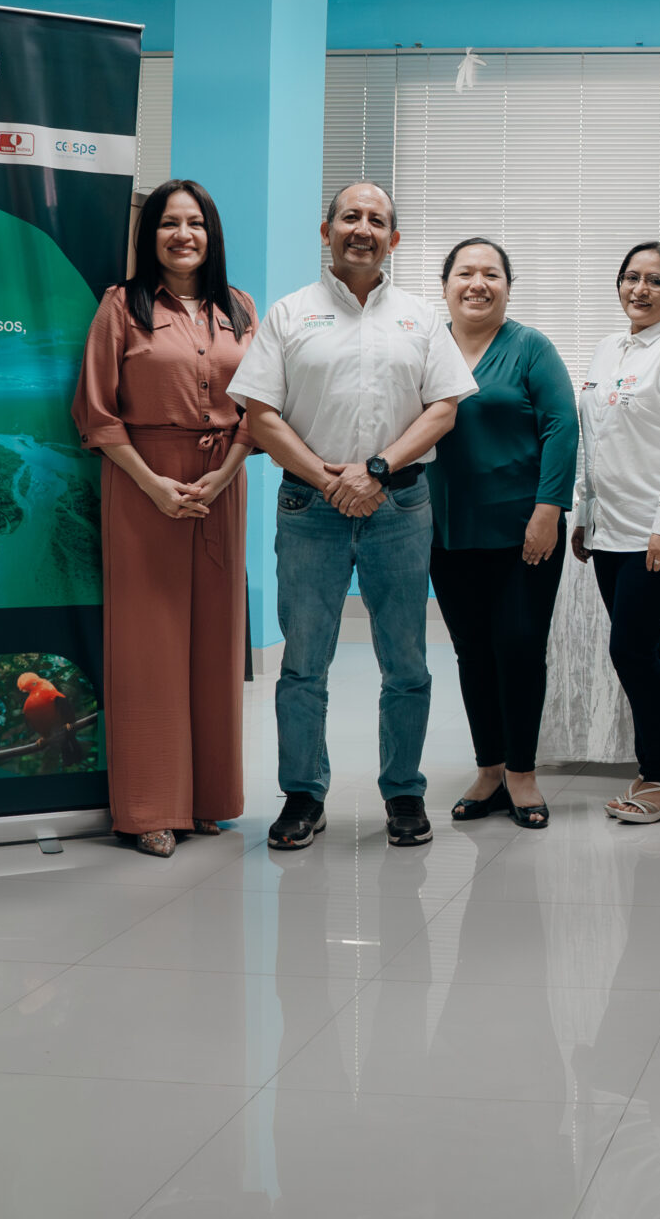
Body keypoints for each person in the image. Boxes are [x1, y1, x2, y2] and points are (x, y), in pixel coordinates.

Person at [229, 181, 471, 852]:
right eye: (350, 217)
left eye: (378, 219)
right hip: (310, 505)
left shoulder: (421, 318)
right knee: (305, 662)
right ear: (326, 229)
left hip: (399, 503)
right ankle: (303, 795)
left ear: (394, 238)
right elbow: (260, 413)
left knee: (407, 659)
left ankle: (403, 792)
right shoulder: (288, 315)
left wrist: (375, 471)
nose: (363, 228)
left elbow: (443, 409)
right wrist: (328, 479)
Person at [73, 180, 255, 857]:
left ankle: (206, 799)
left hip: (220, 479)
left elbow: (259, 407)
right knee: (148, 645)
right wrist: (153, 485)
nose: (183, 235)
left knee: (213, 641)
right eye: (168, 224)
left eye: (196, 223)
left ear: (212, 234)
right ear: (148, 237)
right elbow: (95, 412)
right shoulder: (122, 306)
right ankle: (151, 806)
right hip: (140, 478)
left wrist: (224, 474)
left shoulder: (239, 308)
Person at [429, 237, 578, 832]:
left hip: (525, 532)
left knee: (518, 647)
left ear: (507, 286)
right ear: (446, 285)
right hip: (446, 531)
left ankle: (522, 773)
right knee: (471, 654)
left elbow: (562, 427)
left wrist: (549, 509)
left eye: (491, 273)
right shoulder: (426, 345)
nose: (477, 283)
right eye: (465, 272)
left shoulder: (530, 348)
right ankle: (488, 768)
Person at [573, 242, 660, 825]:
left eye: (655, 281)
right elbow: (595, 441)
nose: (640, 289)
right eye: (631, 277)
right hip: (610, 533)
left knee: (629, 648)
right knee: (641, 648)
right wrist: (584, 515)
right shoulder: (610, 349)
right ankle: (658, 767)